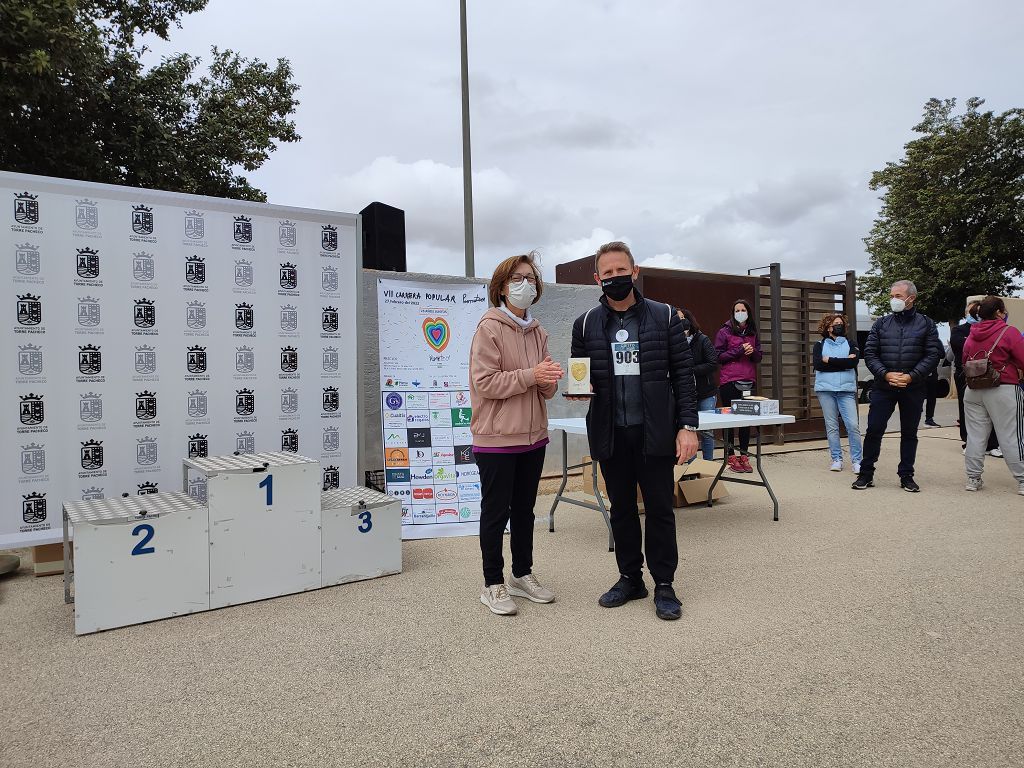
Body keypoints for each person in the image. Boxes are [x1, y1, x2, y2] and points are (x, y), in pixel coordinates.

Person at [569, 241, 698, 621]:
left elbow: (685, 377)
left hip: (654, 431)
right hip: (611, 431)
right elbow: (582, 373)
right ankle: (630, 577)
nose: (615, 278)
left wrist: (687, 426)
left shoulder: (665, 317)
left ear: (635, 271)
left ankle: (664, 584)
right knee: (621, 508)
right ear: (597, 278)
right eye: (607, 273)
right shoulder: (587, 323)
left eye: (620, 270)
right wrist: (580, 388)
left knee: (660, 508)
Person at [470, 252, 563, 616]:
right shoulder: (488, 328)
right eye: (516, 279)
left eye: (530, 278)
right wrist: (531, 376)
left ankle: (521, 575)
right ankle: (491, 582)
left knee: (525, 510)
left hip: (533, 436)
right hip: (496, 439)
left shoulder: (538, 331)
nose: (525, 284)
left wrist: (549, 381)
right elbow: (485, 382)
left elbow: (545, 388)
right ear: (502, 287)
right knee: (496, 512)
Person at [853, 280, 940, 492]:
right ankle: (866, 474)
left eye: (898, 296)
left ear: (912, 298)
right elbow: (871, 353)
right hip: (884, 386)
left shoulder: (926, 324)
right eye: (892, 296)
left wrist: (912, 376)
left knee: (909, 432)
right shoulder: (881, 323)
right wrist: (885, 374)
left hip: (913, 387)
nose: (894, 300)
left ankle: (906, 475)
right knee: (874, 429)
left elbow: (932, 354)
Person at [962, 296, 1024, 494]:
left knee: (975, 437)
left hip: (973, 390)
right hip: (1003, 387)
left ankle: (973, 479)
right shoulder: (1009, 332)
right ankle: (1022, 479)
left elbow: (964, 359)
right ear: (999, 312)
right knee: (1010, 436)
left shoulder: (972, 333)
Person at [714, 299, 762, 473]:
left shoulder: (753, 332)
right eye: (737, 310)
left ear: (748, 312)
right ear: (733, 313)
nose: (740, 312)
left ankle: (744, 455)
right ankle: (730, 455)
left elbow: (759, 357)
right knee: (730, 419)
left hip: (749, 380)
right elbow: (718, 356)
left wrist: (753, 352)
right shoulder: (724, 332)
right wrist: (739, 350)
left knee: (745, 419)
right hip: (729, 381)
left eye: (743, 309)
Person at [812, 312, 862, 473]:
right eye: (835, 323)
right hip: (826, 390)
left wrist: (830, 360)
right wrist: (843, 363)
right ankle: (836, 459)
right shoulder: (819, 344)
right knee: (832, 426)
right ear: (828, 327)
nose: (839, 326)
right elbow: (819, 365)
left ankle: (857, 461)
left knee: (853, 425)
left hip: (846, 390)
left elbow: (853, 362)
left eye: (841, 323)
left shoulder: (851, 343)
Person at [950, 301, 1000, 456]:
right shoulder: (959, 330)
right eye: (972, 312)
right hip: (966, 374)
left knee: (991, 408)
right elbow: (961, 346)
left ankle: (992, 444)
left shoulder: (992, 329)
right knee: (967, 409)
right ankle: (969, 441)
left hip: (989, 373)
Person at [676, 307, 719, 461]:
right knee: (689, 431)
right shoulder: (674, 342)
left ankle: (708, 464)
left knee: (707, 432)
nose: (679, 322)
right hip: (687, 395)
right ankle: (692, 465)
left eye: (682, 319)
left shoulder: (702, 339)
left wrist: (691, 370)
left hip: (705, 392)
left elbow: (712, 363)